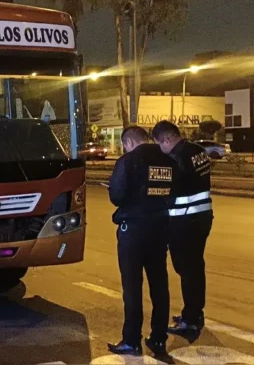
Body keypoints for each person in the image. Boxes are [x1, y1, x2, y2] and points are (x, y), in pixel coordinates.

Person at [106, 126, 176, 357]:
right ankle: (158, 339)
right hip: (160, 228)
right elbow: (173, 192)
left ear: (128, 143)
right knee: (159, 285)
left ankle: (131, 340)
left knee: (132, 288)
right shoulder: (168, 160)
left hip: (133, 230)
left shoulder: (128, 161)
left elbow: (117, 195)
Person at [151, 120, 213, 335]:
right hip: (202, 217)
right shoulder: (198, 150)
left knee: (187, 270)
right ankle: (194, 312)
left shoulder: (176, 158)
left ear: (168, 139)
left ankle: (191, 319)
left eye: (160, 143)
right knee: (195, 268)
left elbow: (169, 189)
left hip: (184, 221)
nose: (160, 148)